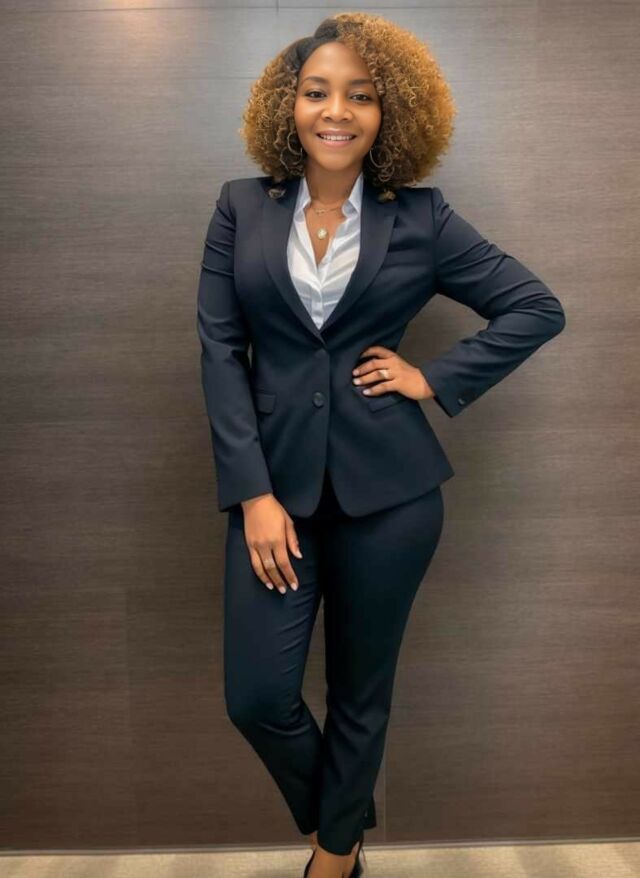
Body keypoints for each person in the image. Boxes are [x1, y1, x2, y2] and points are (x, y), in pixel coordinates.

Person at [196, 12, 566, 878]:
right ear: (287, 104)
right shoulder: (240, 206)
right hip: (273, 493)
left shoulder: (423, 219)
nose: (337, 111)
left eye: (360, 96)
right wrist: (253, 493)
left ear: (389, 110)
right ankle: (346, 819)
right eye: (317, 92)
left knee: (362, 695)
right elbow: (219, 349)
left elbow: (536, 307)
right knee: (257, 697)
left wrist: (432, 378)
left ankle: (334, 859)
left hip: (392, 496)